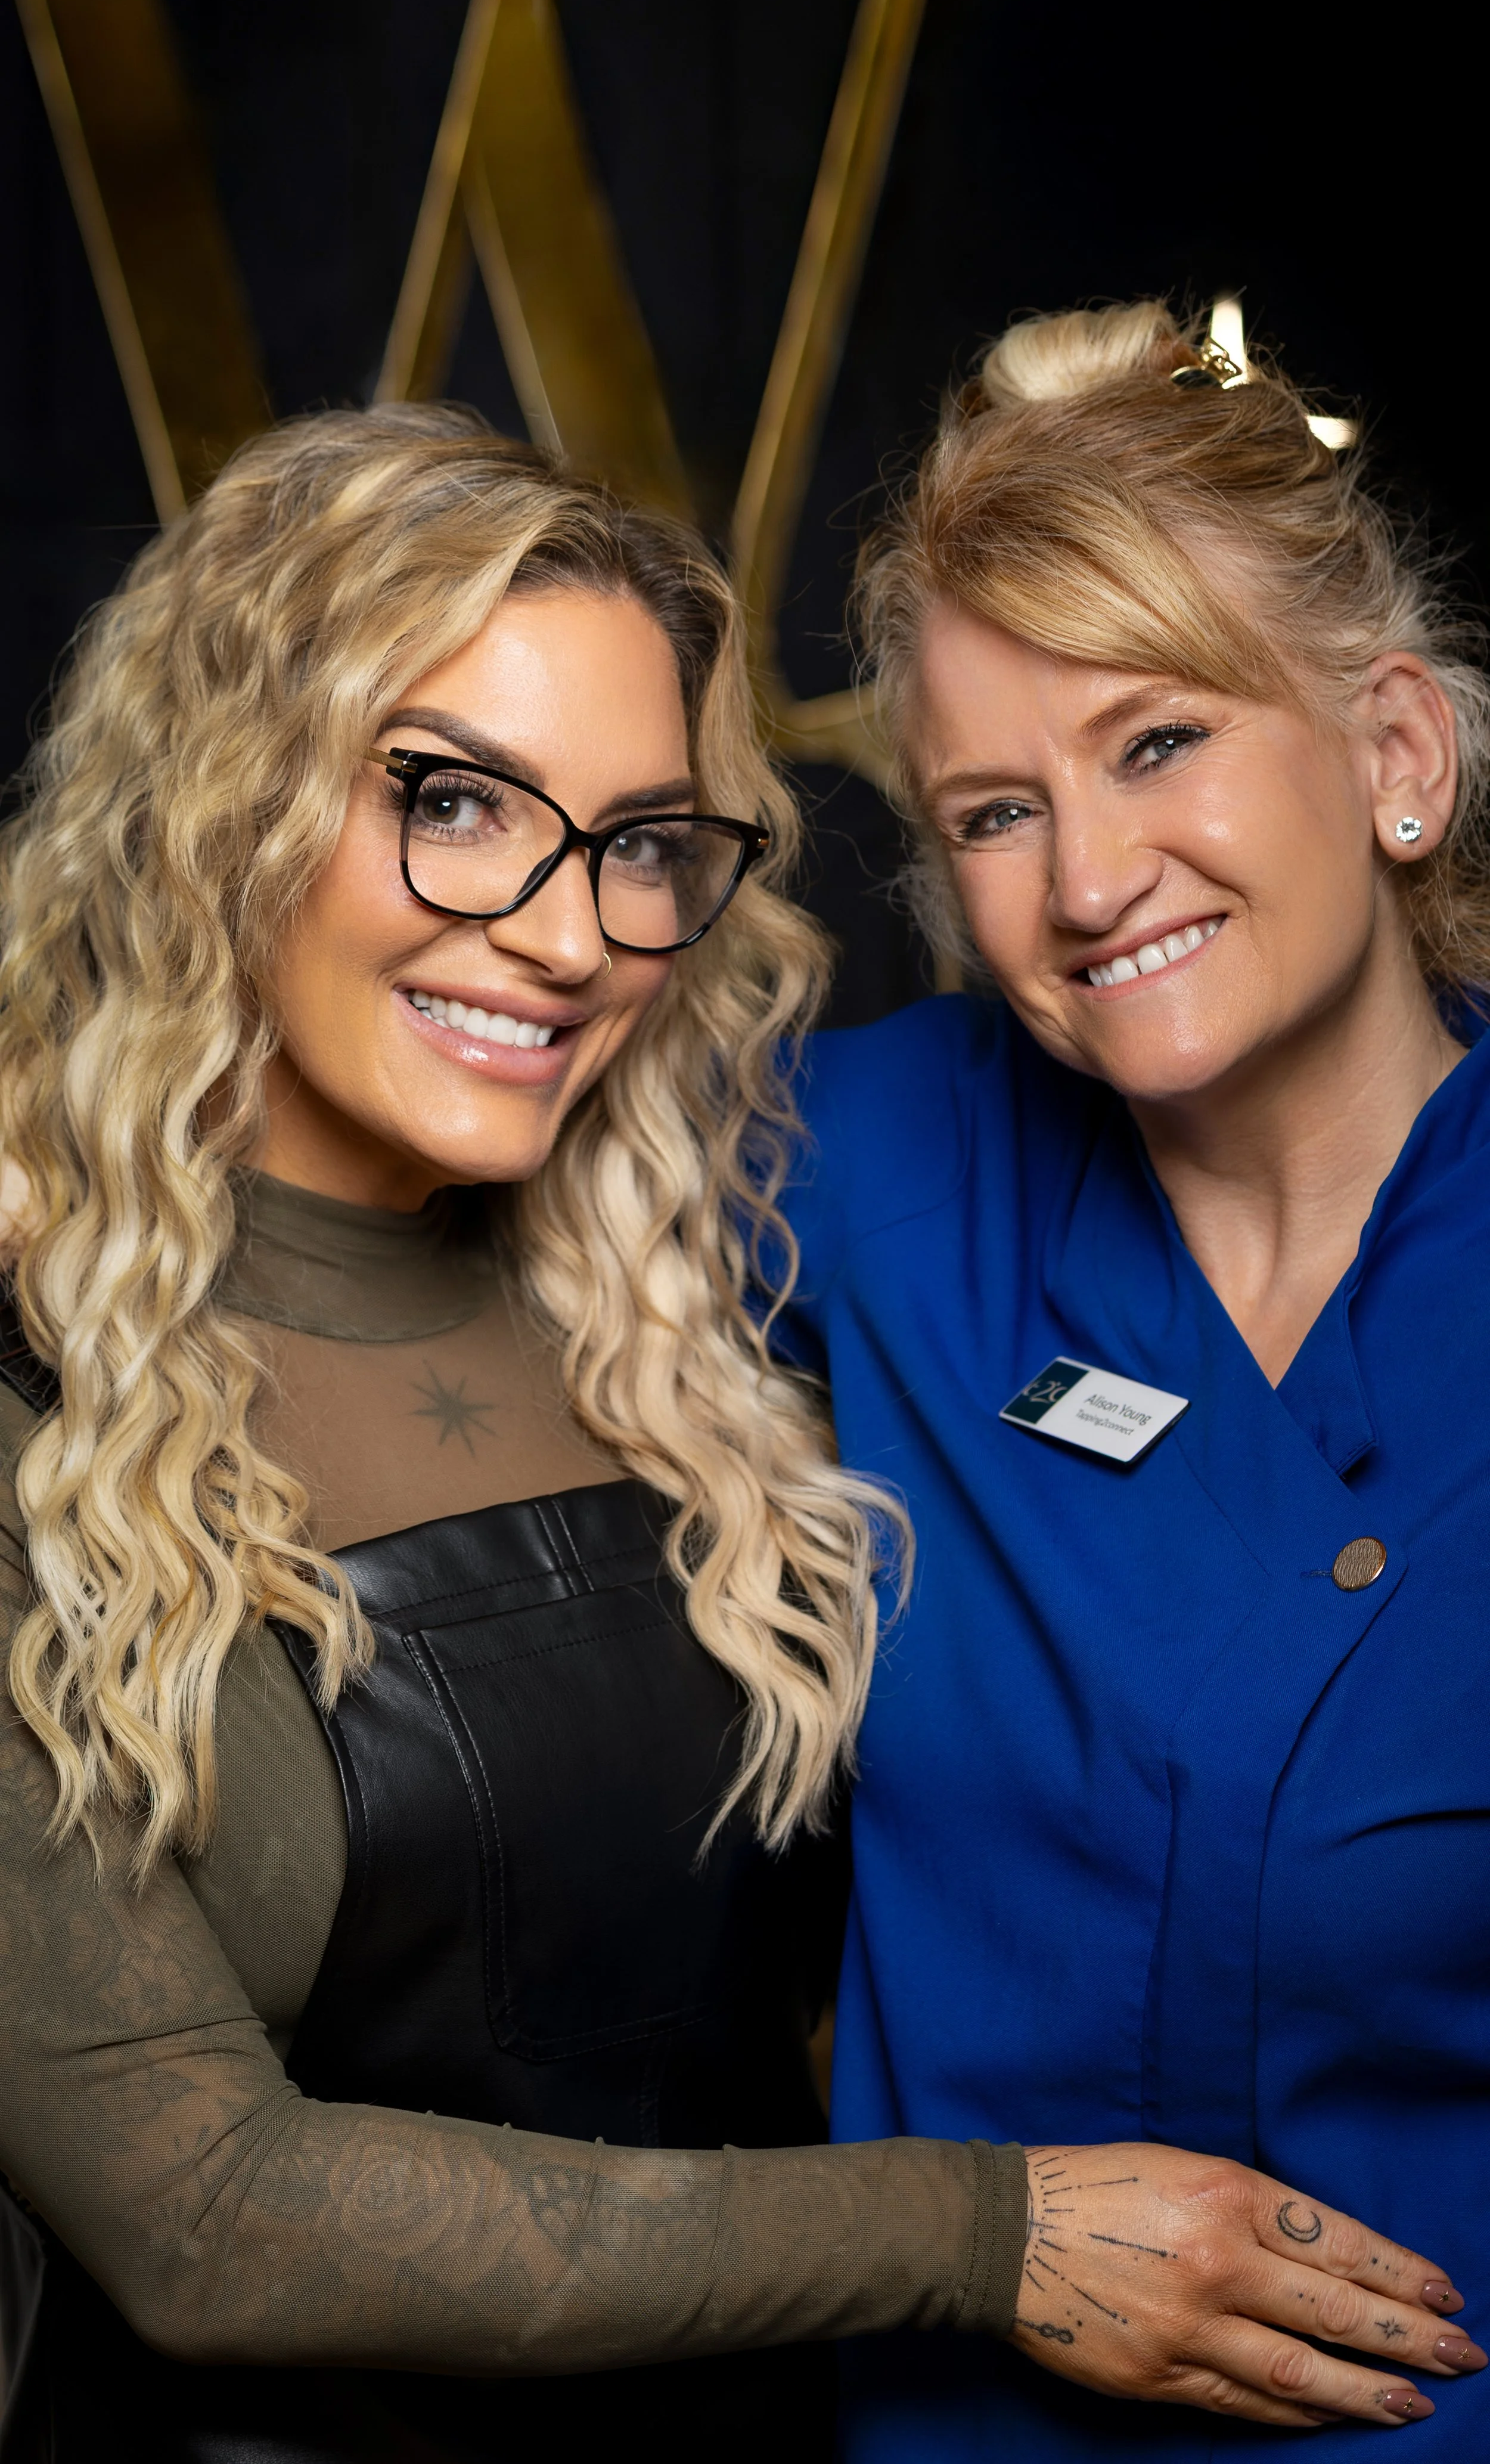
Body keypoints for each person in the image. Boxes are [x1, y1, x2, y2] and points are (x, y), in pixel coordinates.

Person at [0, 407, 1467, 2463]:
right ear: (214, 804)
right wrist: (981, 2235)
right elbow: (195, 2210)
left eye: (637, 843)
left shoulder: (669, 1273)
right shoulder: (48, 1388)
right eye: (449, 799)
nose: (564, 932)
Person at [771, 301, 1490, 2458]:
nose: (1085, 884)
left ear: (1393, 756)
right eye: (996, 811)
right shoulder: (867, 1165)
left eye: (1157, 741)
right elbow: (367, 1146)